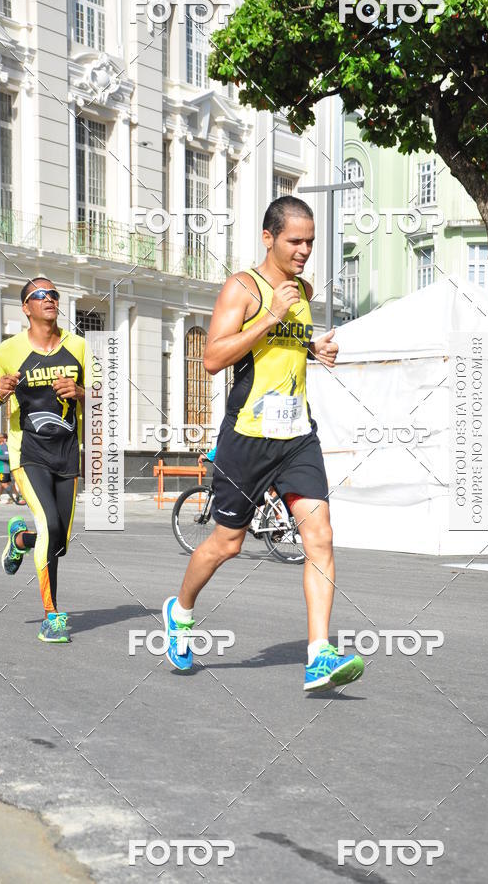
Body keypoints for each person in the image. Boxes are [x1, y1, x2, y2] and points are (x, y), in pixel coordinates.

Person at [163, 196, 364, 691]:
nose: (304, 250)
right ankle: (180, 612)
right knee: (226, 543)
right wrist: (272, 315)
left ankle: (319, 654)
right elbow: (213, 357)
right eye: (295, 241)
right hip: (248, 437)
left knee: (320, 537)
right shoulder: (243, 288)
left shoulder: (302, 290)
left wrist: (315, 348)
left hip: (296, 435)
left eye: (311, 241)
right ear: (269, 238)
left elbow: (281, 353)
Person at [0, 277, 89, 643]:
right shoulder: (7, 351)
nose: (49, 299)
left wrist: (79, 392)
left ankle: (19, 540)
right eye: (39, 296)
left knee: (58, 541)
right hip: (28, 453)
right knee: (50, 527)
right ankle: (52, 615)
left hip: (67, 453)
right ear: (26, 308)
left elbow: (101, 398)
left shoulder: (78, 346)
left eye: (54, 294)